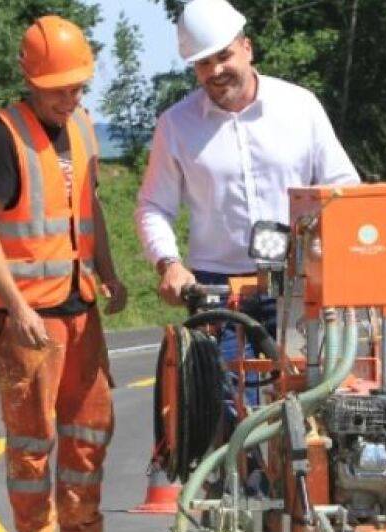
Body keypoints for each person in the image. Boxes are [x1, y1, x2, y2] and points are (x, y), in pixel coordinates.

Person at [0, 15, 136, 532]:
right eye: (60, 87)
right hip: (28, 318)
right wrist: (15, 307)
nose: (71, 96)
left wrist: (108, 271)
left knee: (89, 431)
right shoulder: (0, 137)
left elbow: (88, 210)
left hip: (78, 305)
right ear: (31, 80)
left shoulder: (83, 126)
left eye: (78, 86)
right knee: (32, 442)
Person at [135, 0, 360, 310]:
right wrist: (169, 263)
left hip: (295, 279)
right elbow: (154, 206)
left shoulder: (301, 107)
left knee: (298, 361)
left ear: (247, 48)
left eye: (224, 56)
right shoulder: (175, 125)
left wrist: (324, 243)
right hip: (215, 287)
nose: (215, 70)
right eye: (203, 62)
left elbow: (342, 187)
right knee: (214, 361)